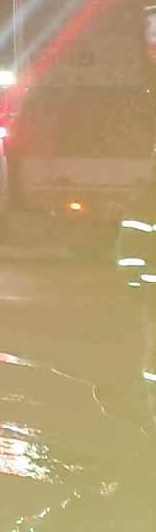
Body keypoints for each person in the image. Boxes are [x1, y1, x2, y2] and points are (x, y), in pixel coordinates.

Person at [115, 176, 156, 420]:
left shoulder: (144, 204)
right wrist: (133, 286)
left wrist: (133, 286)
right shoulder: (146, 205)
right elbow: (130, 253)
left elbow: (128, 251)